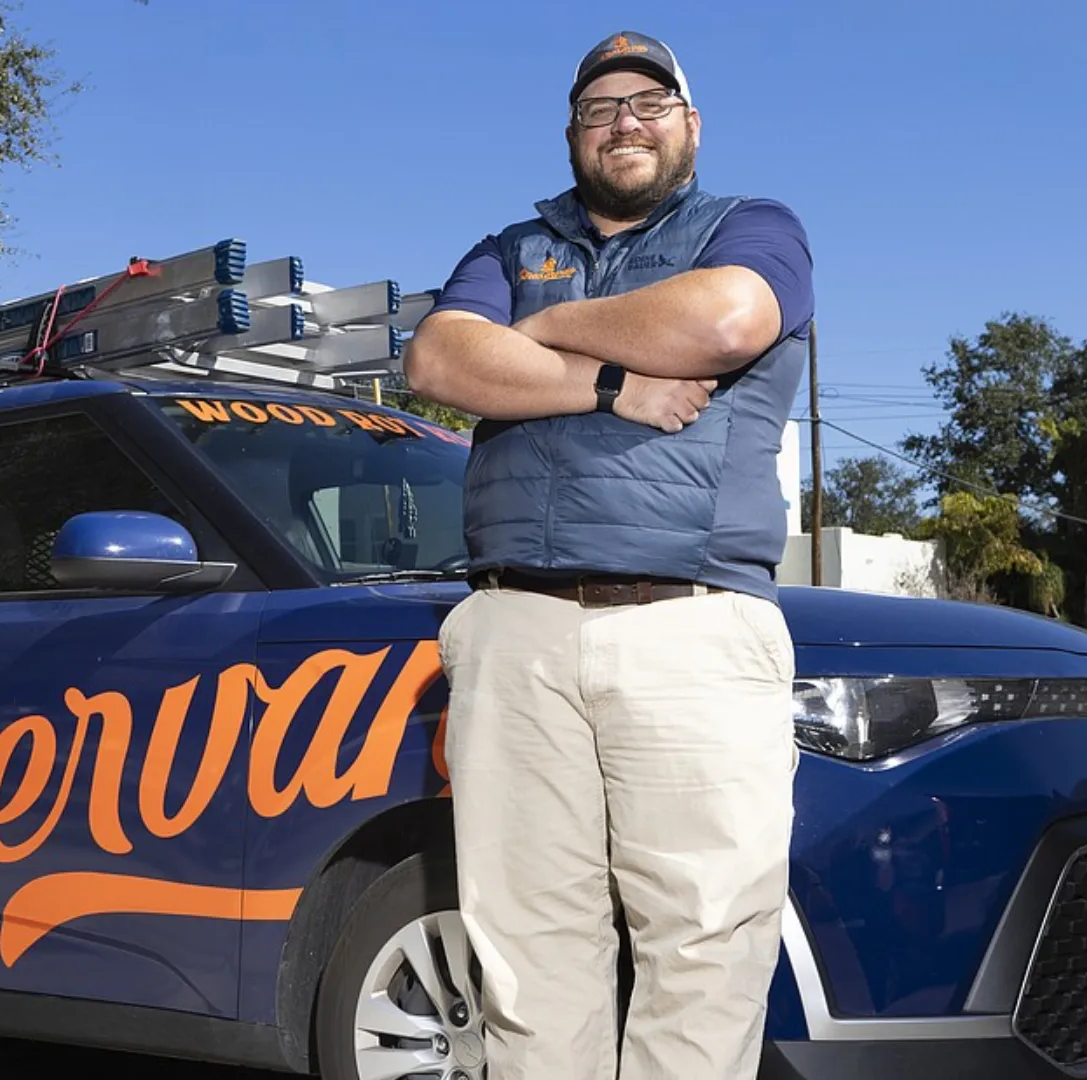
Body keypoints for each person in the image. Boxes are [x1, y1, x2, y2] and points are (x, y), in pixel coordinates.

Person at [402, 29, 813, 1080]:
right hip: (515, 633)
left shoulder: (752, 228)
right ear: (573, 134)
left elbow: (724, 321)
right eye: (599, 109)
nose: (623, 122)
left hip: (693, 626)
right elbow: (442, 357)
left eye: (649, 102)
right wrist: (609, 382)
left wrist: (544, 329)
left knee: (706, 945)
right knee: (525, 949)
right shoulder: (507, 248)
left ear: (690, 126)